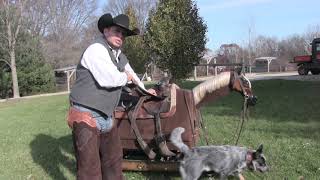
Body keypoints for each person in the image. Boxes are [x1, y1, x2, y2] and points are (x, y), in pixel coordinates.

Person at [67, 13, 155, 180]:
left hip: (106, 116)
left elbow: (133, 75)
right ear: (106, 30)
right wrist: (126, 78)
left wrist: (144, 90)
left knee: (113, 160)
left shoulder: (118, 55)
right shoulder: (96, 49)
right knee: (89, 169)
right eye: (117, 31)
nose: (120, 36)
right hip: (86, 115)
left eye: (123, 34)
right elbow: (108, 79)